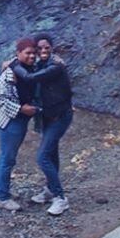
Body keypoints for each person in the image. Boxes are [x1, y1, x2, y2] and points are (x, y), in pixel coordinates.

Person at [7, 34, 73, 216]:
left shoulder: (55, 66)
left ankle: (61, 198)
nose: (43, 51)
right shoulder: (41, 64)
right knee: (51, 153)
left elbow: (30, 78)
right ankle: (51, 190)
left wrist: (13, 65)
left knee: (42, 157)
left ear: (52, 48)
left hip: (60, 116)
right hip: (49, 116)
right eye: (40, 49)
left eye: (47, 48)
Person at [0, 37, 39, 211]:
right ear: (18, 54)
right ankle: (3, 198)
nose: (32, 56)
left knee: (4, 155)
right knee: (8, 158)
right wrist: (21, 109)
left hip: (16, 120)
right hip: (10, 121)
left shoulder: (29, 68)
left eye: (34, 53)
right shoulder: (10, 73)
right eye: (28, 53)